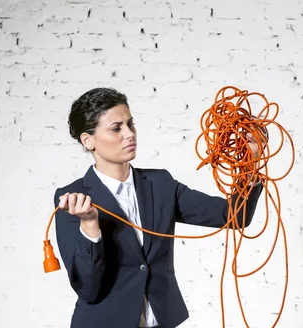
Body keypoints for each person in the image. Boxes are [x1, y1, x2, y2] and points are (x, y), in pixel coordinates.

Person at [53, 88, 264, 328]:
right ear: (88, 140)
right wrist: (90, 224)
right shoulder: (72, 199)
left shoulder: (160, 184)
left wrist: (251, 163)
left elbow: (234, 216)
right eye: (116, 128)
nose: (129, 134)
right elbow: (88, 288)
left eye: (130, 124)